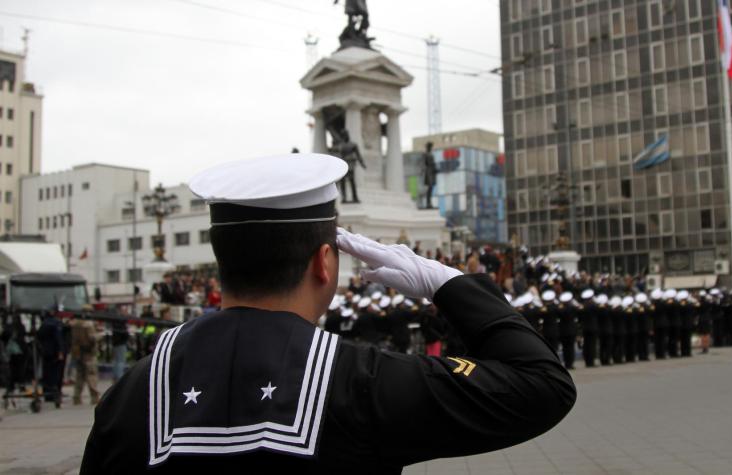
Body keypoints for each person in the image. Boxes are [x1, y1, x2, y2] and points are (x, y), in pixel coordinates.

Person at [81, 153, 576, 474]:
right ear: (324, 262)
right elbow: (542, 385)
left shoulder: (131, 393)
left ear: (222, 260)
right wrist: (448, 284)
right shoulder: (363, 382)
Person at [70, 317, 100, 405]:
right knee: (91, 375)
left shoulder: (75, 324)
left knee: (79, 375)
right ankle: (94, 397)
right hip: (89, 353)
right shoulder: (88, 325)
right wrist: (100, 335)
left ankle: (76, 397)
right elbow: (92, 338)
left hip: (78, 352)